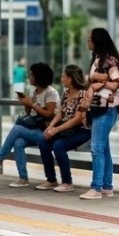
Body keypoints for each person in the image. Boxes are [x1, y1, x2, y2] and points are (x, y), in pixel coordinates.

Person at [0, 63, 59, 187]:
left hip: (47, 131)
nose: (29, 77)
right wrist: (26, 104)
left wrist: (32, 104)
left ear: (38, 76)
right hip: (36, 129)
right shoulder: (34, 91)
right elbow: (30, 113)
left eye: (32, 75)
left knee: (16, 129)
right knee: (18, 142)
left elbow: (49, 114)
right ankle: (23, 178)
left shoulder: (51, 93)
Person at [80, 27, 119, 200]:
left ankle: (96, 188)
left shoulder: (109, 59)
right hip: (97, 107)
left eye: (90, 39)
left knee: (96, 148)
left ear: (97, 41)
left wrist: (100, 81)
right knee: (104, 149)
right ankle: (107, 186)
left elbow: (117, 83)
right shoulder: (97, 59)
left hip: (107, 108)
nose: (88, 42)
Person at [35, 64, 92, 192]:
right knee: (43, 142)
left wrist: (56, 130)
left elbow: (77, 119)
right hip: (67, 129)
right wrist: (51, 126)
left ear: (70, 79)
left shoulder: (83, 94)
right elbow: (60, 113)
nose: (61, 79)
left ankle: (67, 182)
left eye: (63, 76)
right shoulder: (66, 93)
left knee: (58, 146)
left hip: (82, 129)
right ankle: (51, 180)